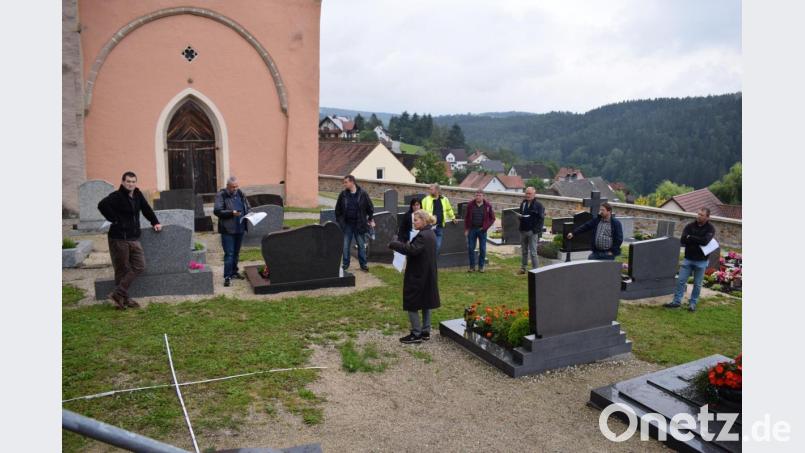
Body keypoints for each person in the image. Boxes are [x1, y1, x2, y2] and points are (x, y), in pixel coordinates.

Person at [97, 171, 162, 309]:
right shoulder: (117, 196)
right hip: (119, 238)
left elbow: (146, 209)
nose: (131, 184)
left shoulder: (138, 195)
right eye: (128, 181)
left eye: (133, 181)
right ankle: (123, 300)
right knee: (122, 269)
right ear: (123, 182)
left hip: (133, 237)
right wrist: (114, 219)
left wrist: (155, 222)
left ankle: (118, 293)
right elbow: (102, 205)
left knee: (140, 266)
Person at [388, 210, 440, 344]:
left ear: (424, 220)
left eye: (416, 220)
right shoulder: (431, 233)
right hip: (427, 273)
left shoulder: (423, 236)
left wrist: (395, 243)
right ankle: (425, 331)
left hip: (419, 275)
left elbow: (412, 250)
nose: (413, 222)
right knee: (425, 302)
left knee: (412, 302)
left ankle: (416, 334)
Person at [664, 208, 717, 312]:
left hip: (701, 261)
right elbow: (683, 240)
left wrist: (691, 237)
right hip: (688, 259)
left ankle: (692, 303)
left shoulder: (710, 228)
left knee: (697, 284)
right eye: (698, 214)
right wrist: (697, 239)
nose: (699, 216)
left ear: (707, 217)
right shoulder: (689, 226)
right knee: (680, 281)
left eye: (702, 215)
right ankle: (676, 302)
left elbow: (705, 241)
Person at [213, 176, 252, 287]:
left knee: (236, 253)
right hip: (227, 230)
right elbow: (217, 211)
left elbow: (247, 206)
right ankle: (227, 277)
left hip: (240, 228)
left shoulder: (240, 193)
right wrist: (231, 213)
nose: (235, 189)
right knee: (229, 254)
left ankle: (234, 272)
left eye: (236, 186)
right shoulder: (221, 195)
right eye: (233, 187)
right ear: (228, 186)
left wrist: (249, 213)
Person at [334, 175, 374, 271]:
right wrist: (340, 221)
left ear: (352, 182)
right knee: (345, 245)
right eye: (344, 182)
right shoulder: (343, 195)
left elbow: (370, 208)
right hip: (347, 224)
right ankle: (345, 265)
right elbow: (337, 210)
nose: (344, 184)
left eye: (346, 182)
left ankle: (363, 265)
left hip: (359, 224)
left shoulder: (363, 194)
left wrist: (370, 219)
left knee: (361, 245)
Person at [464, 189, 496, 272]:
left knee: (482, 249)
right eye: (476, 195)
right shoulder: (470, 205)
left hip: (482, 230)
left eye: (479, 195)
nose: (478, 197)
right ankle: (472, 267)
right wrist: (466, 229)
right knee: (471, 248)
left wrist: (485, 227)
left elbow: (492, 218)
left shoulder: (488, 206)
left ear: (483, 196)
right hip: (472, 229)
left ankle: (481, 267)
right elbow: (467, 217)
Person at [420, 183, 456, 254]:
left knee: (437, 246)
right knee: (429, 245)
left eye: (431, 189)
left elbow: (449, 209)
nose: (429, 191)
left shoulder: (444, 199)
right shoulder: (425, 200)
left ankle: (432, 261)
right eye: (429, 189)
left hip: (440, 226)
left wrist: (453, 218)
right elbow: (421, 212)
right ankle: (428, 261)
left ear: (437, 190)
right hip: (429, 226)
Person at [517, 187, 545, 274]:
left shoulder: (539, 205)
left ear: (534, 194)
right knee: (524, 251)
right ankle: (523, 268)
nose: (527, 195)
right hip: (523, 230)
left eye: (529, 194)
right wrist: (520, 217)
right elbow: (522, 214)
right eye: (526, 193)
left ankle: (536, 270)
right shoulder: (523, 203)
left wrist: (534, 231)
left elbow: (541, 220)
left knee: (533, 252)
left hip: (532, 232)